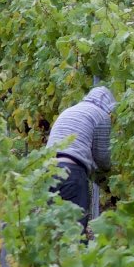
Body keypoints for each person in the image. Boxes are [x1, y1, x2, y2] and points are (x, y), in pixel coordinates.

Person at [47, 85, 115, 228]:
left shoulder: (71, 110)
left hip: (47, 171)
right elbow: (102, 157)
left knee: (52, 229)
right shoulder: (102, 116)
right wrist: (110, 180)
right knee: (75, 232)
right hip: (71, 173)